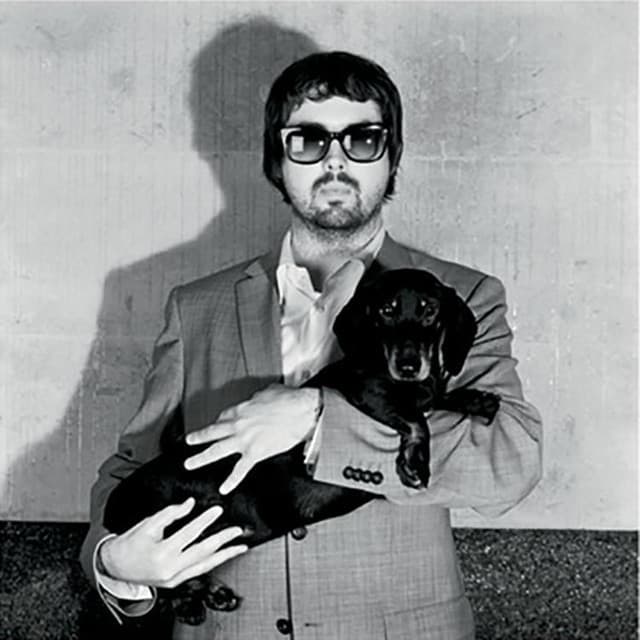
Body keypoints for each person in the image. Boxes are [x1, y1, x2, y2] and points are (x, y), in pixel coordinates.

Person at [80, 50, 542, 639]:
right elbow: (130, 468)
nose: (335, 160)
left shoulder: (462, 297)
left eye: (363, 139)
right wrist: (115, 563)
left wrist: (319, 418)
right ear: (276, 159)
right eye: (309, 140)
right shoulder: (195, 308)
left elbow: (509, 460)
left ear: (393, 155)